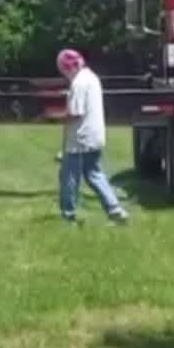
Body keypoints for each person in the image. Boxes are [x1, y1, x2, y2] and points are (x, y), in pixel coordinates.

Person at [56, 48, 129, 225]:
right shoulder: (92, 77)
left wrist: (55, 116)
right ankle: (115, 209)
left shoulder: (78, 83)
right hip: (95, 134)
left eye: (63, 70)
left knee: (68, 177)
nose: (64, 75)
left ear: (68, 67)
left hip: (80, 138)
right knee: (94, 173)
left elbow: (76, 112)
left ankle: (68, 215)